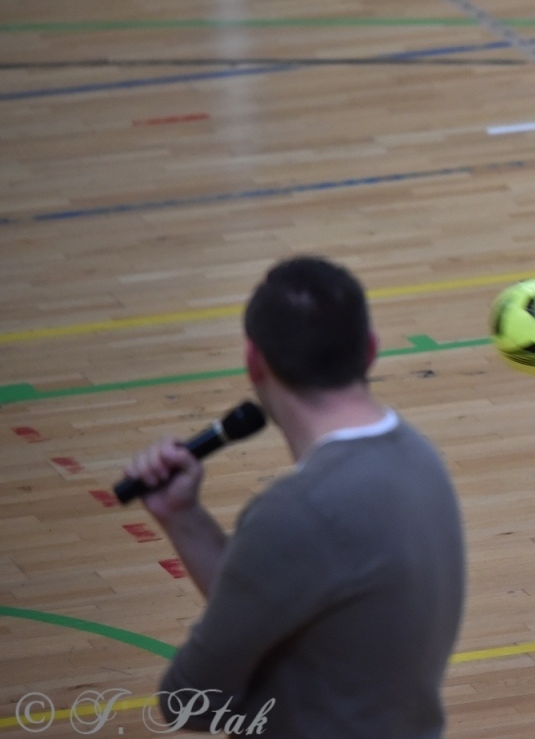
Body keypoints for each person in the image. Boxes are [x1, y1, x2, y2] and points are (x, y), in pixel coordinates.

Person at [123, 256, 466, 734]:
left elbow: (187, 700)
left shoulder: (300, 511)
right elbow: (278, 598)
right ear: (370, 349)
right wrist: (183, 517)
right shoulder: (419, 458)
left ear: (254, 362)